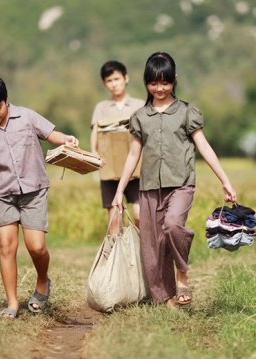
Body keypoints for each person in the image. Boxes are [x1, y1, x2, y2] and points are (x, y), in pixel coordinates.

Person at [112, 52, 237, 308]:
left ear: (174, 80)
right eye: (154, 83)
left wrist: (224, 180)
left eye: (165, 83)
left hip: (181, 184)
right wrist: (119, 191)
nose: (159, 88)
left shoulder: (186, 112)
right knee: (153, 246)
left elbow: (204, 147)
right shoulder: (140, 117)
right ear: (146, 82)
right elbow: (133, 155)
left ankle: (182, 274)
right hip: (148, 189)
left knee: (172, 226)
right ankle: (165, 299)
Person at [0, 74, 79, 318]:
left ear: (5, 100)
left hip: (34, 192)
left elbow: (52, 134)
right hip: (3, 195)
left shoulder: (28, 117)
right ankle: (12, 304)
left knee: (37, 247)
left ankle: (43, 281)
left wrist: (67, 140)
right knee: (6, 248)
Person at [90, 60, 143, 234]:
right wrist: (94, 153)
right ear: (105, 84)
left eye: (117, 79)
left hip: (136, 171)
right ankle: (117, 257)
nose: (114, 84)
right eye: (109, 81)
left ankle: (142, 255)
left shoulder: (139, 105)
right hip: (110, 171)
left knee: (139, 215)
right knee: (114, 219)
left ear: (125, 78)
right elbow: (96, 132)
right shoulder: (101, 107)